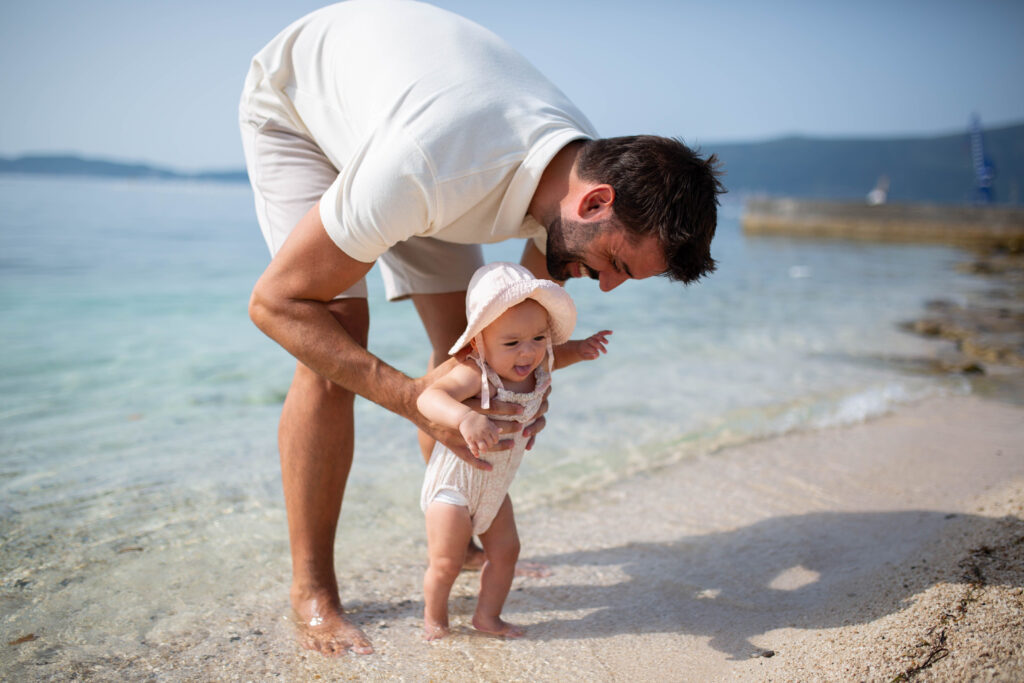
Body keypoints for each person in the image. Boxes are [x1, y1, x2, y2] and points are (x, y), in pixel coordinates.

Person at [240, 0, 723, 657]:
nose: (607, 285)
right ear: (595, 202)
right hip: (303, 106)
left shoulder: (579, 168)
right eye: (614, 264)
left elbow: (521, 323)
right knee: (334, 328)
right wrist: (415, 399)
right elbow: (272, 304)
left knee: (474, 353)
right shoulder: (428, 164)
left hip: (418, 137)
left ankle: (461, 540)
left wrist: (528, 385)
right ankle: (313, 590)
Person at [417, 263, 610, 640]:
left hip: (494, 487)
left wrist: (583, 349)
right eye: (511, 343)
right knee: (446, 562)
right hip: (453, 489)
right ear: (479, 343)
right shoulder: (477, 374)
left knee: (506, 552)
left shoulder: (540, 364)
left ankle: (487, 617)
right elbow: (429, 398)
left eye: (539, 338)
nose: (528, 353)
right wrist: (464, 418)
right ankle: (434, 619)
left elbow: (560, 354)